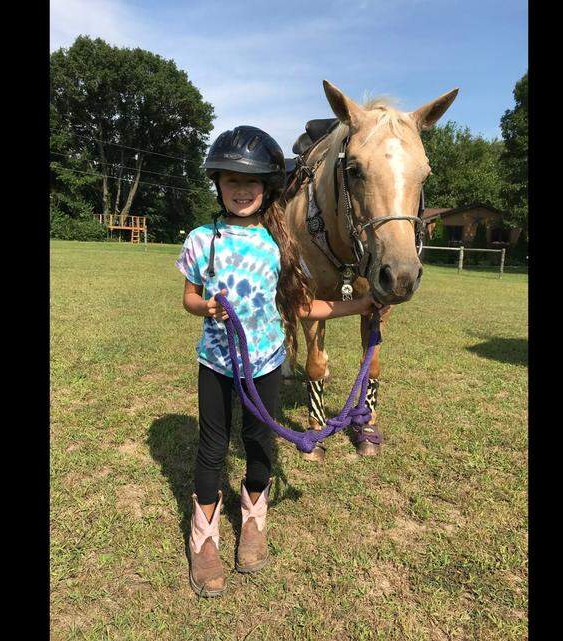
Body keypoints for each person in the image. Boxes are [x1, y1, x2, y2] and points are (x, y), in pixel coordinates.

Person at [175, 125, 385, 597]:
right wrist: (203, 307)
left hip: (266, 362)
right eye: (231, 181)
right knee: (211, 446)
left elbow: (301, 307)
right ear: (218, 185)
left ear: (267, 188)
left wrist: (356, 306)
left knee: (258, 441)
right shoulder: (200, 239)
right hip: (216, 361)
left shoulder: (278, 245)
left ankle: (253, 517)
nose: (241, 190)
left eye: (250, 183)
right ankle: (204, 534)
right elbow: (188, 297)